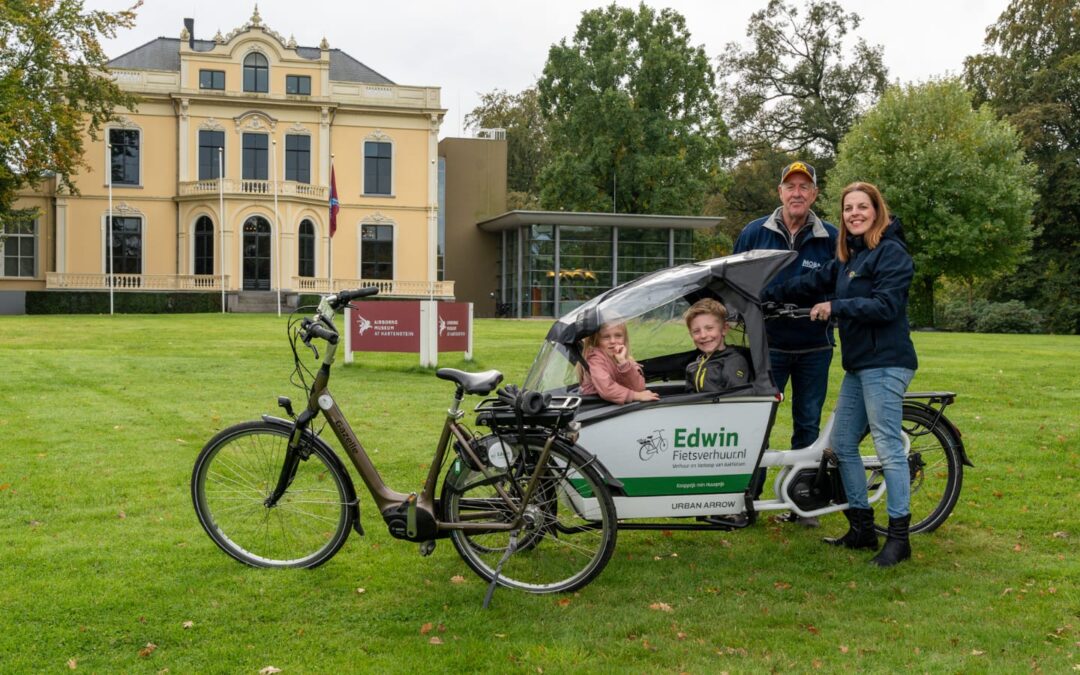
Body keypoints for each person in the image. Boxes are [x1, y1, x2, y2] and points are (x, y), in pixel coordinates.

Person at [766, 182, 918, 567]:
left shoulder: (891, 253)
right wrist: (765, 293)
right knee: (843, 445)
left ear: (877, 210)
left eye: (862, 207)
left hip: (886, 362)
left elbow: (885, 306)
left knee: (887, 447)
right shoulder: (849, 256)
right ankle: (862, 528)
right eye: (848, 208)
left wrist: (835, 306)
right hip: (859, 364)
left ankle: (899, 538)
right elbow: (810, 284)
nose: (854, 213)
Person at [733, 161, 838, 527]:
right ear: (779, 192)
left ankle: (802, 503)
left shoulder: (832, 237)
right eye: (790, 186)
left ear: (814, 195)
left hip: (815, 347)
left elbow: (845, 284)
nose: (797, 192)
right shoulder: (754, 233)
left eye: (804, 187)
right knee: (757, 423)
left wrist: (833, 309)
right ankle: (746, 501)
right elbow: (735, 283)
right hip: (767, 347)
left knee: (807, 425)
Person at [579, 322, 660, 404]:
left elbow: (639, 388)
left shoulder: (625, 358)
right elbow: (607, 389)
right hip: (595, 406)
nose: (613, 341)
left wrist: (623, 363)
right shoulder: (595, 360)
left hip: (615, 405)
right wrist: (636, 396)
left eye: (618, 335)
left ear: (624, 338)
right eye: (606, 337)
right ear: (597, 341)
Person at [683, 299, 751, 394]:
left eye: (709, 328)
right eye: (696, 331)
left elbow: (735, 400)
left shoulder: (733, 362)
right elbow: (689, 398)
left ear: (724, 329)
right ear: (691, 335)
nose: (703, 335)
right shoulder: (692, 367)